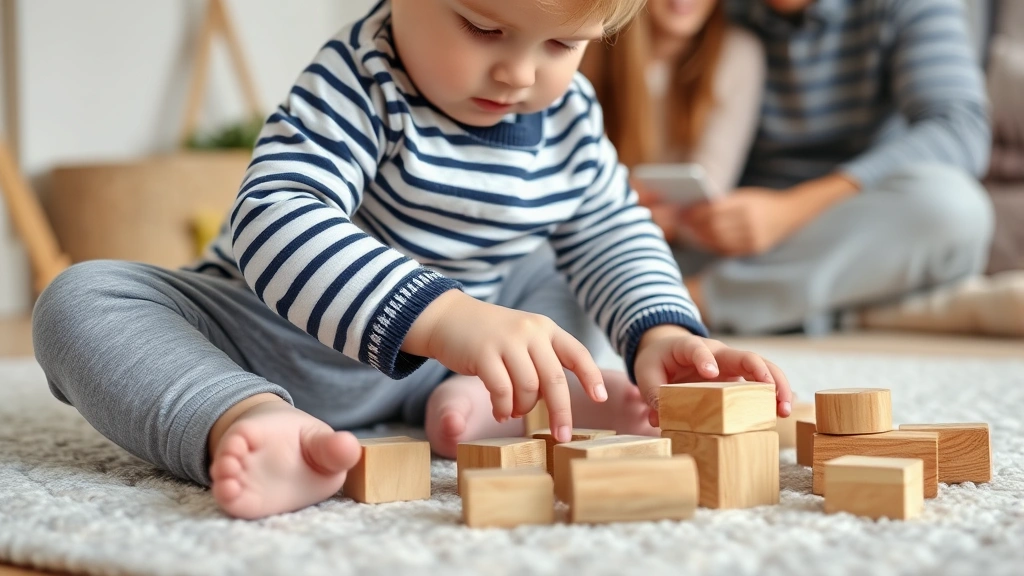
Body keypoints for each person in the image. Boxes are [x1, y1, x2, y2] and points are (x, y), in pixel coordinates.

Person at [31, 0, 793, 521]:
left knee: (557, 271)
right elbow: (274, 218)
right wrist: (446, 315)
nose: (520, 74)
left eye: (562, 44)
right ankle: (247, 418)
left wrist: (660, 331)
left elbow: (608, 226)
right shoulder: (359, 80)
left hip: (454, 353)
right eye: (484, 27)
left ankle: (492, 394)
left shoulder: (567, 116)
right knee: (80, 299)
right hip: (266, 337)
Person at [632, 0, 1000, 337]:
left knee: (954, 211)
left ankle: (695, 300)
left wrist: (790, 210)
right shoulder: (719, 11)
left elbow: (960, 130)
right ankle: (831, 308)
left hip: (860, 223)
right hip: (741, 241)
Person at [580, 0, 765, 243]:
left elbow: (711, 193)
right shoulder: (588, 42)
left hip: (674, 238)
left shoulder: (737, 53)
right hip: (595, 229)